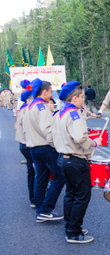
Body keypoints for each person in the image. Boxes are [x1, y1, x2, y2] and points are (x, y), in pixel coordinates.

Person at [53, 81, 101, 243]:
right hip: (75, 160)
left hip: (62, 158)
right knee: (82, 195)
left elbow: (51, 137)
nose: (83, 100)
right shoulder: (75, 113)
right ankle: (74, 232)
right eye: (81, 97)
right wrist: (94, 143)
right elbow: (81, 137)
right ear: (74, 99)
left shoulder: (59, 113)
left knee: (70, 194)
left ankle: (70, 226)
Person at [23, 78, 65, 222]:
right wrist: (58, 145)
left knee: (41, 178)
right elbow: (48, 130)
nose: (51, 94)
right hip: (45, 147)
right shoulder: (42, 107)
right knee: (60, 176)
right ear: (45, 91)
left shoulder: (30, 106)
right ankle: (46, 209)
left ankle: (41, 210)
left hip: (33, 147)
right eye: (50, 91)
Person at [15, 81, 35, 208]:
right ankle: (35, 199)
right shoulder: (27, 111)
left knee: (31, 170)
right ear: (28, 100)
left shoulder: (22, 110)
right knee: (35, 171)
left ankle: (34, 197)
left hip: (23, 144)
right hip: (28, 145)